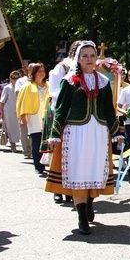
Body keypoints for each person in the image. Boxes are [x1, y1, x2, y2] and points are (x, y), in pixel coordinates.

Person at [45, 41, 123, 235]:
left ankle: (89, 201)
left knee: (96, 170)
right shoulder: (70, 80)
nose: (89, 59)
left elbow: (109, 110)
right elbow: (61, 109)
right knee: (77, 171)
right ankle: (81, 217)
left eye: (92, 55)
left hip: (98, 133)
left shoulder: (103, 82)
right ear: (78, 59)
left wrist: (116, 132)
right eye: (85, 56)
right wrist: (55, 134)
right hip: (76, 132)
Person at [44, 41, 81, 203]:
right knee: (59, 150)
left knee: (73, 152)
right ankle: (57, 188)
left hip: (78, 115)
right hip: (62, 112)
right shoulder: (62, 67)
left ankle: (71, 189)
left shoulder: (86, 69)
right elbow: (54, 92)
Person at [17, 63, 49, 174]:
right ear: (34, 73)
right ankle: (38, 165)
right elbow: (21, 102)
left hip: (46, 115)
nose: (42, 73)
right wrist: (22, 117)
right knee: (37, 140)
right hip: (34, 116)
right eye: (39, 71)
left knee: (46, 140)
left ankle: (46, 162)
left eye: (43, 70)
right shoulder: (28, 86)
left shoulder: (48, 85)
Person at [0, 71, 21, 153]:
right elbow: (2, 102)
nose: (15, 80)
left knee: (18, 129)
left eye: (17, 78)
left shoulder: (21, 87)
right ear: (10, 79)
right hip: (9, 111)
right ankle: (13, 145)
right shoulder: (7, 88)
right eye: (13, 78)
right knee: (11, 128)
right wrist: (1, 113)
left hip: (19, 111)